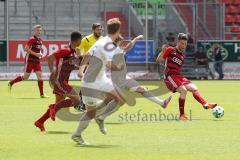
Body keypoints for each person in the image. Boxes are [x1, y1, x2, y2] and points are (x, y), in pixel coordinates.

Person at [72, 18, 125, 145]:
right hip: (91, 82)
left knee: (120, 99)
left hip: (99, 79)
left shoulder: (102, 40)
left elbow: (87, 55)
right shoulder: (105, 45)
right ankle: (77, 134)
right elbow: (109, 65)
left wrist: (81, 70)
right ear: (117, 31)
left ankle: (101, 118)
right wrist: (119, 68)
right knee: (90, 113)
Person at [156, 33, 217, 120]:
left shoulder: (182, 56)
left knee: (194, 88)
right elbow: (158, 60)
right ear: (178, 42)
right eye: (182, 43)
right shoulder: (170, 49)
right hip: (169, 76)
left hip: (178, 76)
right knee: (183, 90)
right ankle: (182, 115)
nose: (184, 46)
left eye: (185, 44)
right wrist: (162, 51)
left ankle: (205, 104)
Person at [34, 31, 82, 132]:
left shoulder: (73, 52)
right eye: (80, 40)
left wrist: (80, 56)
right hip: (59, 81)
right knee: (77, 100)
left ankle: (40, 122)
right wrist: (52, 72)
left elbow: (77, 66)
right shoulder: (66, 50)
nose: (81, 41)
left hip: (62, 81)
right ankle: (53, 107)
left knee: (59, 104)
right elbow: (51, 58)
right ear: (77, 40)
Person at [8, 25, 49, 98]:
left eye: (40, 30)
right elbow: (26, 49)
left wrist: (40, 54)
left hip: (37, 61)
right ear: (34, 31)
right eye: (37, 30)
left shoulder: (40, 40)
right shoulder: (32, 39)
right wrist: (36, 54)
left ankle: (42, 94)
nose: (39, 32)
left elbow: (37, 50)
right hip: (30, 60)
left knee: (40, 76)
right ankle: (11, 83)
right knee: (25, 77)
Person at [74, 23, 103, 111]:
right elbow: (78, 48)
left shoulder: (103, 39)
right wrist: (80, 58)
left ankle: (86, 104)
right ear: (93, 30)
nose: (100, 31)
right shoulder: (86, 39)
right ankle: (79, 104)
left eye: (101, 29)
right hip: (88, 66)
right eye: (98, 29)